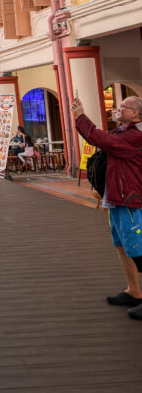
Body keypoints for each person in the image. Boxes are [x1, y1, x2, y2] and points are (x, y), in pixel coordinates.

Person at [71, 96, 142, 320]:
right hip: (116, 197)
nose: (119, 108)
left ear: (136, 113)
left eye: (123, 106)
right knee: (122, 245)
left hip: (129, 199)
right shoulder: (124, 131)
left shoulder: (136, 135)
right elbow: (99, 139)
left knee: (139, 251)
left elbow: (103, 140)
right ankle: (134, 291)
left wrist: (81, 115)